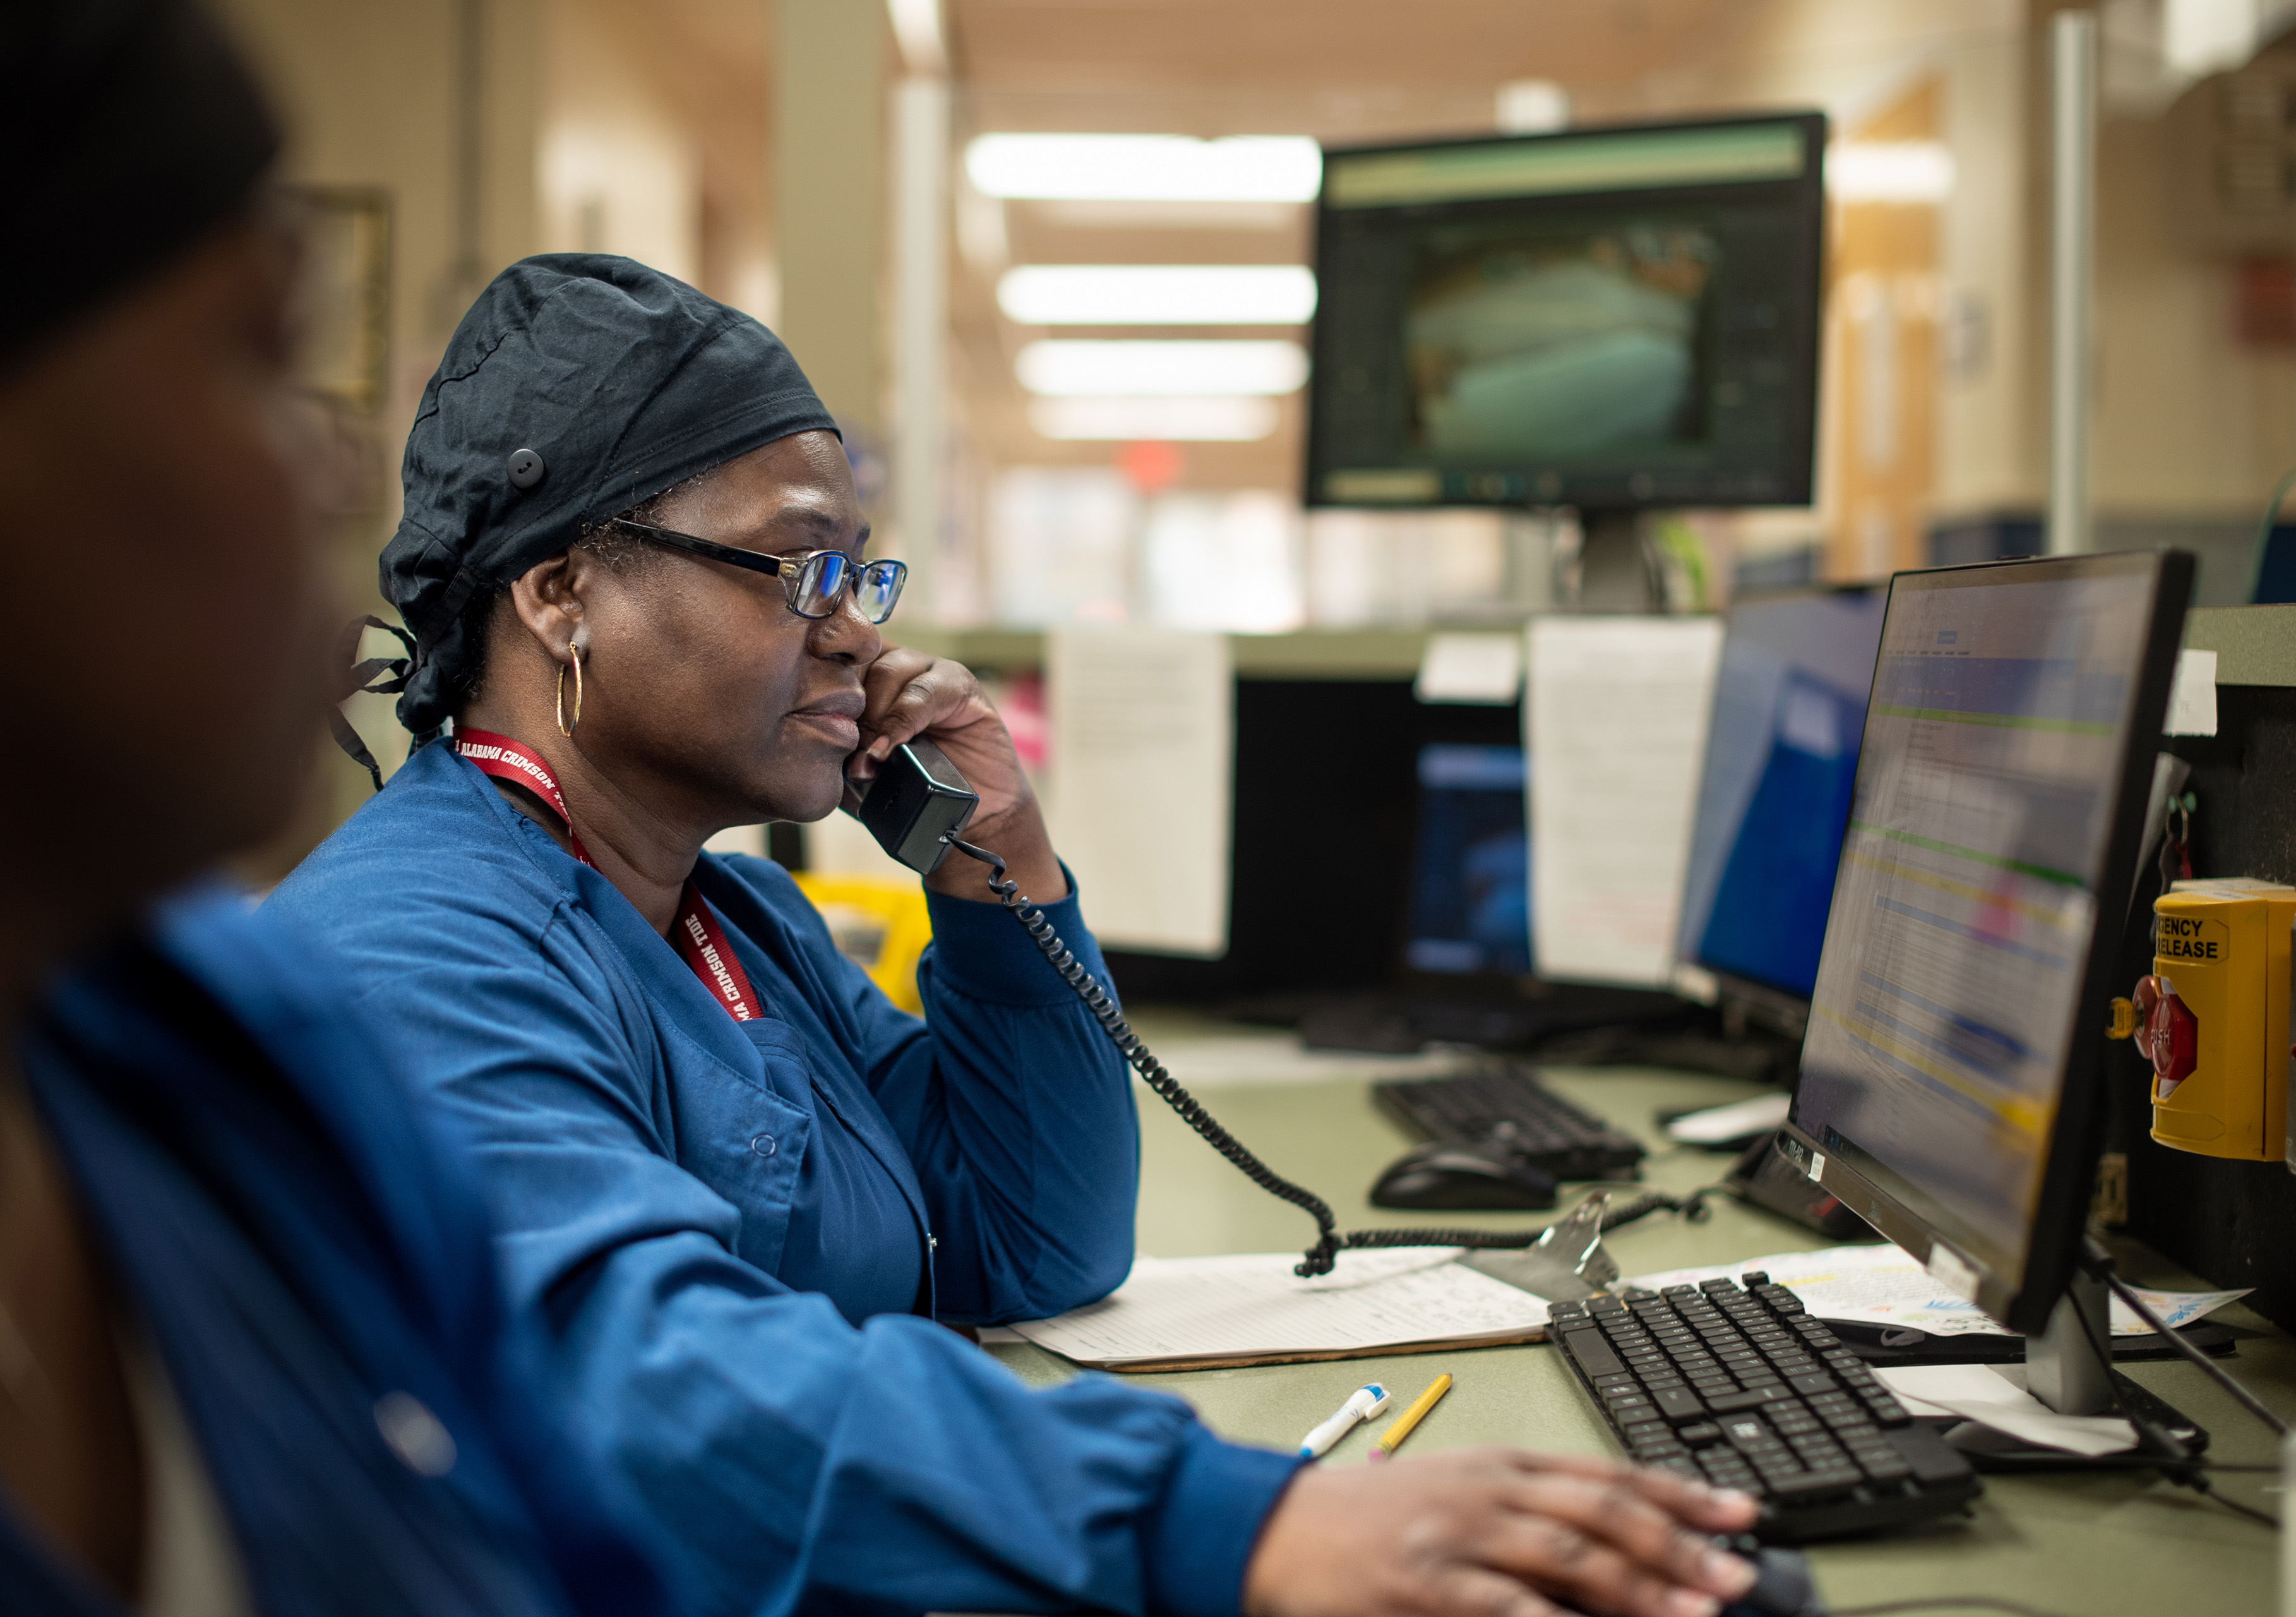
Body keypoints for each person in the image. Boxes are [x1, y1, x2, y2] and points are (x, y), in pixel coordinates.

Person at [267, 252, 1764, 1617]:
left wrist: (1000, 872)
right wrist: (1232, 1525)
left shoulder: (742, 923)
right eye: (798, 567)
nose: (854, 627)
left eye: (863, 572)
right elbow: (638, 1390)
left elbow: (1031, 1237)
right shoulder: (415, 953)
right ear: (559, 590)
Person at [0, 4, 685, 1616]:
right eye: (256, 356)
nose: (333, 479)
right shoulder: (395, 945)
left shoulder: (233, 1041)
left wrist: (1009, 903)